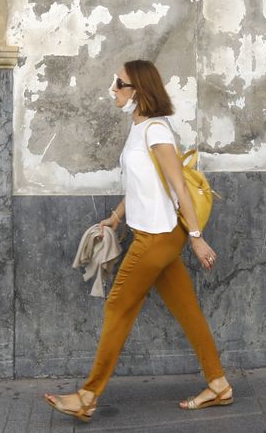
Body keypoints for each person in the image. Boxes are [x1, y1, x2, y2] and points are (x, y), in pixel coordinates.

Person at [44, 59, 233, 422]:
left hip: (159, 237)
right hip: (150, 234)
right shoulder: (139, 128)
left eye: (119, 83)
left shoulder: (157, 131)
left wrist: (196, 238)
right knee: (187, 310)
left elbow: (178, 187)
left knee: (118, 306)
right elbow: (140, 186)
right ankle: (219, 384)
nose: (112, 89)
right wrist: (115, 219)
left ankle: (87, 396)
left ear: (139, 91)